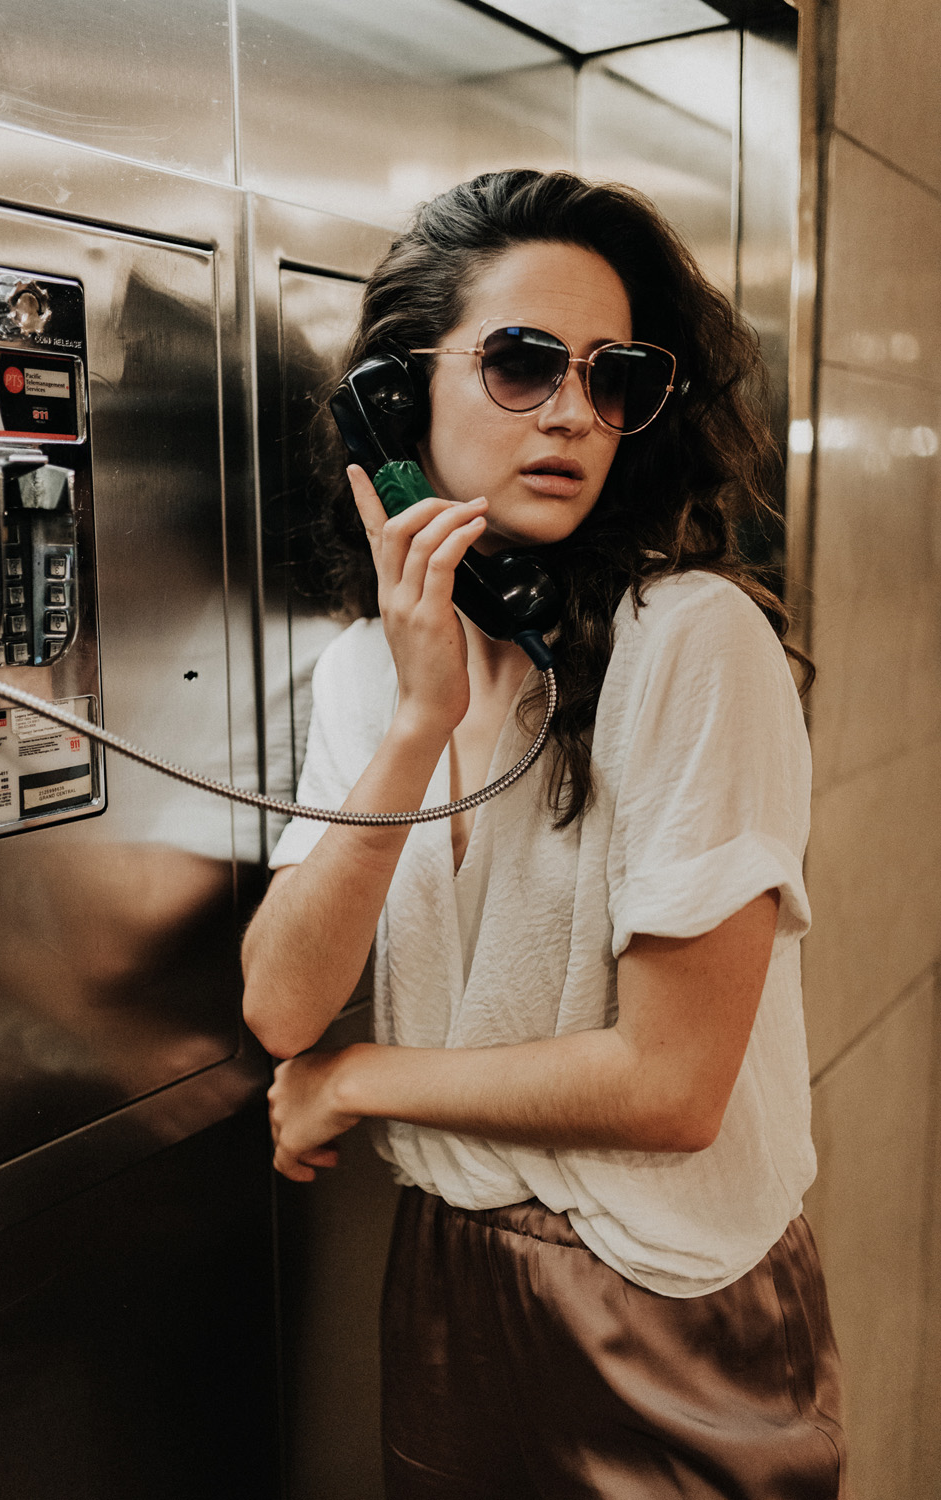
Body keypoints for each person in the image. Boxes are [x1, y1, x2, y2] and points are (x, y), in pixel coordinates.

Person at [241, 169, 849, 1498]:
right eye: (520, 364)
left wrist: (358, 1082)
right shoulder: (366, 675)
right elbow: (283, 1006)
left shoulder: (693, 641)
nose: (572, 412)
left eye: (612, 377)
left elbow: (669, 1084)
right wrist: (416, 724)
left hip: (665, 1292)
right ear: (395, 402)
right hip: (451, 1266)